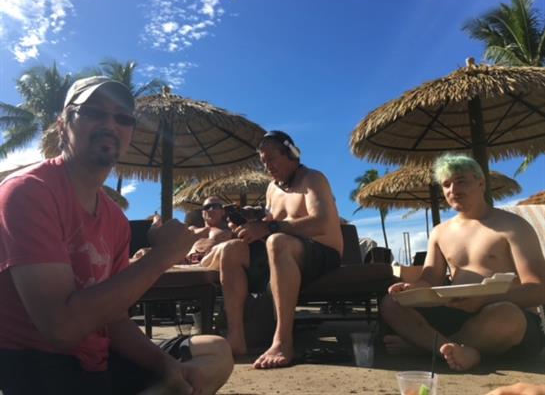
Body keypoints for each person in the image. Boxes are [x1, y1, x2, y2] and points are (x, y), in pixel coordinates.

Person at [0, 76, 233, 394]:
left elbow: (116, 321)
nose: (110, 124)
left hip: (100, 362)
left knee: (214, 353)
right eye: (93, 112)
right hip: (42, 367)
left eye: (123, 118)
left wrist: (165, 365)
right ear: (62, 125)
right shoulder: (29, 192)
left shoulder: (115, 219)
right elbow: (61, 329)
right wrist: (162, 257)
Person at [380, 154, 545, 371]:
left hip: (506, 315)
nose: (453, 190)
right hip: (457, 313)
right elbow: (430, 280)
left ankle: (429, 348)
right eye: (446, 184)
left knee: (507, 316)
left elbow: (538, 289)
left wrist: (485, 300)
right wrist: (411, 289)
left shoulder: (513, 226)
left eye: (461, 181)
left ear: (481, 183)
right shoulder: (440, 232)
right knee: (391, 303)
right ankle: (455, 350)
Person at [216, 130, 343, 369]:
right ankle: (236, 339)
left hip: (323, 254)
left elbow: (322, 223)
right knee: (231, 249)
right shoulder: (272, 189)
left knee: (277, 241)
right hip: (284, 253)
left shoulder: (313, 179)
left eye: (272, 159)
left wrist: (269, 227)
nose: (268, 166)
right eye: (263, 162)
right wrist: (252, 220)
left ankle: (283, 341)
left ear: (291, 154)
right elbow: (271, 219)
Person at [186, 196, 232, 267]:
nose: (211, 210)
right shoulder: (191, 230)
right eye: (207, 207)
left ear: (222, 212)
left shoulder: (230, 231)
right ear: (202, 213)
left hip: (211, 268)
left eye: (215, 206)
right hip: (185, 268)